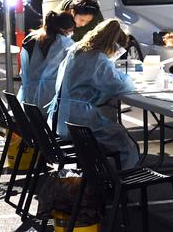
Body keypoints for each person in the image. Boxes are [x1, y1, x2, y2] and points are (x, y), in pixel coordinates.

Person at [49, 19, 138, 169]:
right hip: (80, 121)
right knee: (126, 144)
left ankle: (99, 179)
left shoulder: (77, 50)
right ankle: (119, 183)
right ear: (113, 44)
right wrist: (125, 77)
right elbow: (119, 86)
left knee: (115, 132)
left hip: (62, 117)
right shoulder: (98, 59)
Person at [17, 11, 75, 110]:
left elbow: (24, 71)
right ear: (65, 29)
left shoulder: (32, 39)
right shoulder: (66, 44)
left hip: (28, 99)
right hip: (50, 101)